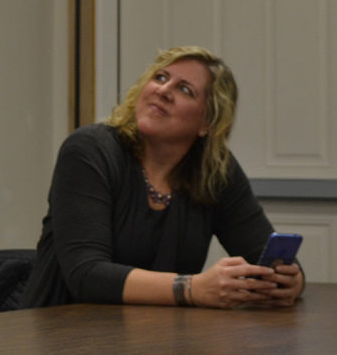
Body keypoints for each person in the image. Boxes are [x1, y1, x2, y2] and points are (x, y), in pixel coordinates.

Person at [20, 46, 304, 310]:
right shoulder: (90, 150)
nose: (164, 90)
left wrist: (289, 281)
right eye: (160, 77)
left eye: (184, 89)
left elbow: (263, 251)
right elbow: (86, 274)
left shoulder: (216, 171)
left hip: (158, 337)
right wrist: (191, 288)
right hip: (64, 334)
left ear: (207, 123)